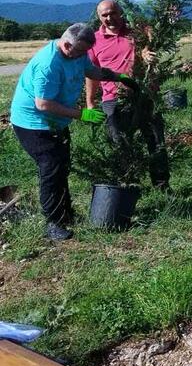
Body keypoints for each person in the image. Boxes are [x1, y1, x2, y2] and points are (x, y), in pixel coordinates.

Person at [9, 23, 133, 241]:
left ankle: (65, 215)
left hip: (56, 122)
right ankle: (53, 223)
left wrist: (117, 77)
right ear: (66, 45)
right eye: (80, 51)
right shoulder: (48, 64)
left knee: (62, 167)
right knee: (51, 169)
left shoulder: (76, 54)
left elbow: (91, 70)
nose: (83, 56)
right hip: (33, 123)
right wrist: (82, 114)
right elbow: (43, 104)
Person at [85, 0, 169, 189]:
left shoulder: (137, 33)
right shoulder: (94, 41)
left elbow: (152, 38)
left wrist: (146, 50)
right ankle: (129, 186)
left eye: (113, 13)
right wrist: (90, 102)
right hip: (113, 100)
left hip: (145, 95)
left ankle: (162, 185)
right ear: (98, 17)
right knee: (120, 144)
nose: (109, 17)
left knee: (156, 141)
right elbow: (92, 73)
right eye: (104, 15)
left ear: (121, 12)